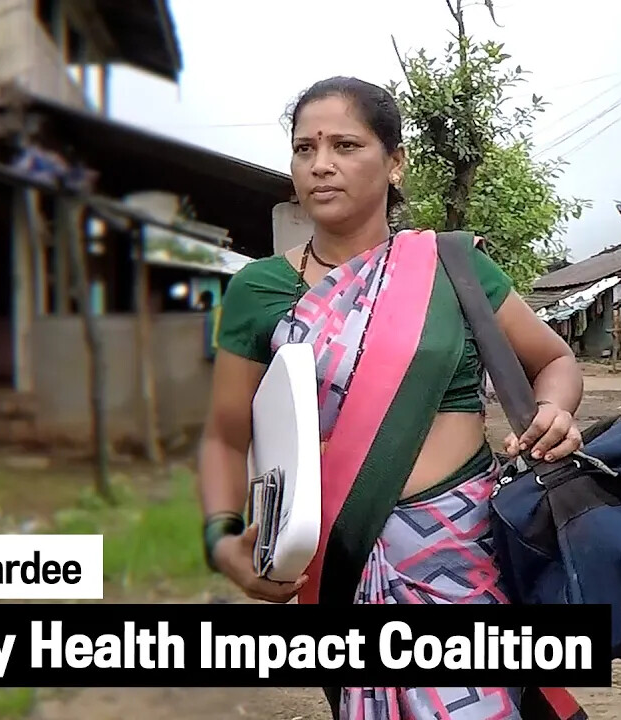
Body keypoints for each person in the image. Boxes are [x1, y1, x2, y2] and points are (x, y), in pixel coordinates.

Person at [196, 76, 588, 720]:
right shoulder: (257, 291)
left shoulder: (452, 265)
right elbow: (224, 435)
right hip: (339, 564)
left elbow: (554, 360)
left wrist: (554, 410)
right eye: (304, 148)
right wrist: (223, 541)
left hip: (469, 554)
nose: (320, 164)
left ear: (395, 161)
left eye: (346, 144)